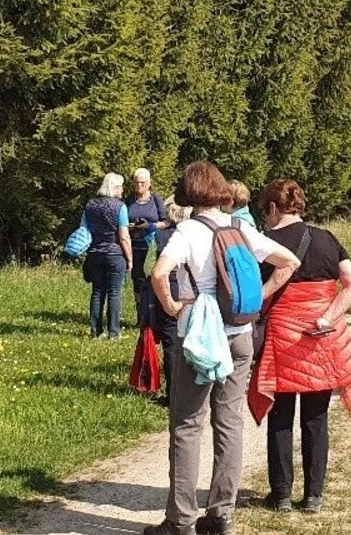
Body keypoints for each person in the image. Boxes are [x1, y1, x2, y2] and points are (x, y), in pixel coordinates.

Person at [145, 161, 300, 535]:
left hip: (199, 336)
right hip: (239, 334)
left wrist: (171, 306)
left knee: (187, 425)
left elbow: (158, 273)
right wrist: (258, 301)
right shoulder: (241, 227)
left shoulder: (187, 231)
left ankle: (180, 520)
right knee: (229, 423)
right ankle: (220, 516)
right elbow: (289, 262)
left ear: (187, 192)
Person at [251, 180, 351, 515]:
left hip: (282, 337)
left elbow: (257, 291)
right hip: (320, 337)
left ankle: (282, 494)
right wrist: (329, 316)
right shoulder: (326, 238)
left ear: (273, 208)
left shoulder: (265, 244)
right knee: (316, 418)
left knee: (280, 416)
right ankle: (314, 495)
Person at [149, 196, 191, 404]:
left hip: (167, 286)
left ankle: (173, 393)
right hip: (191, 289)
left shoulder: (160, 235)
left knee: (171, 340)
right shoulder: (195, 234)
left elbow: (151, 268)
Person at [81, 173, 134, 338]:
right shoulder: (120, 207)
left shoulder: (90, 205)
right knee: (114, 293)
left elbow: (83, 228)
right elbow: (124, 236)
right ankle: (114, 332)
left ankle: (96, 331)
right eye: (121, 186)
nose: (123, 189)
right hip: (114, 253)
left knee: (97, 292)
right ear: (115, 188)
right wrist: (129, 258)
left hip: (94, 252)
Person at [126, 168, 168, 327]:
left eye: (142, 182)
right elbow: (121, 220)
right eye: (136, 182)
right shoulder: (129, 200)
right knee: (138, 282)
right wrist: (128, 227)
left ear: (149, 183)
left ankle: (155, 317)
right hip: (134, 246)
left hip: (152, 246)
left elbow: (166, 222)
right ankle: (141, 317)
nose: (139, 185)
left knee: (154, 280)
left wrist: (150, 226)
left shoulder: (156, 199)